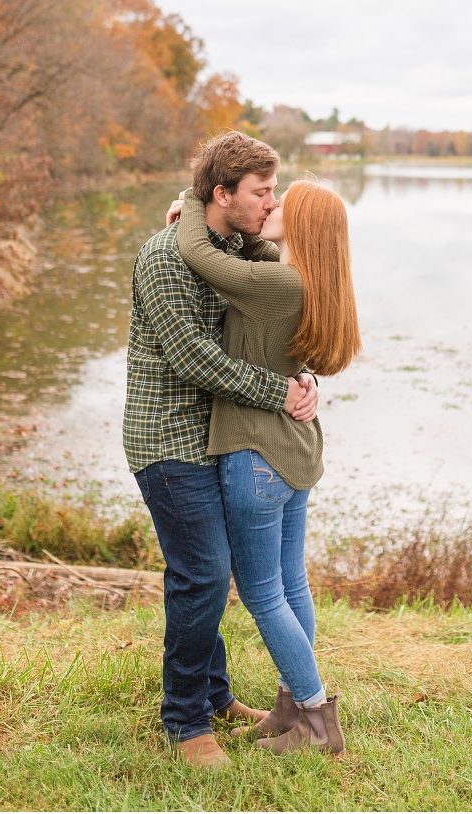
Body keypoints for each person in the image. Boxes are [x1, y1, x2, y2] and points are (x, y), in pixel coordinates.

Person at [122, 132, 319, 770]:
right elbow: (192, 359)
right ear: (222, 193)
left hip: (221, 438)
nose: (271, 202)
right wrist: (280, 392)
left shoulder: (230, 246)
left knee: (212, 575)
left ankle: (214, 695)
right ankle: (185, 723)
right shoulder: (162, 257)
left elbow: (288, 290)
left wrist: (304, 378)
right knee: (202, 574)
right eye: (261, 192)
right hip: (168, 438)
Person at [172, 175, 361, 756]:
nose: (272, 205)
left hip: (255, 456)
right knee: (290, 582)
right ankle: (288, 705)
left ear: (303, 226)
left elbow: (199, 252)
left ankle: (314, 717)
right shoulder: (312, 283)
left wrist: (190, 209)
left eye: (285, 202)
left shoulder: (272, 282)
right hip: (296, 452)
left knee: (261, 595)